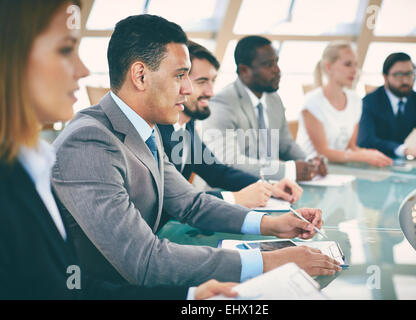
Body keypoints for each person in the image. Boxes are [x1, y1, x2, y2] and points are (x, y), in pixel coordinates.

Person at [51, 14, 342, 289]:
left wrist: (273, 224)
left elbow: (191, 204)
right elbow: (145, 260)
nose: (188, 89)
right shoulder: (90, 141)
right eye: (180, 75)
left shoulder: (143, 128)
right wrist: (271, 260)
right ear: (140, 76)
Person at [0, 0, 238, 300]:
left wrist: (190, 298)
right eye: (64, 50)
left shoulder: (30, 164)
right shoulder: (84, 141)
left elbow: (73, 286)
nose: (83, 69)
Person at [158, 41, 303, 212]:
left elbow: (217, 172)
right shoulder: (158, 132)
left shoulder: (186, 126)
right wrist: (235, 198)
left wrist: (268, 187)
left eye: (212, 81)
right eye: (202, 81)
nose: (211, 92)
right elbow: (176, 198)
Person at [201, 35, 327, 182]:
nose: (277, 70)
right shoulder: (223, 103)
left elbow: (285, 145)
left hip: (276, 188)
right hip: (238, 190)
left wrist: (310, 162)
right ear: (244, 70)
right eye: (268, 65)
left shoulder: (273, 99)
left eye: (276, 62)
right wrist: (287, 171)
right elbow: (231, 161)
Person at [296, 41, 393, 167]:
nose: (354, 70)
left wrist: (372, 155)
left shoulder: (355, 100)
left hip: (341, 172)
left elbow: (351, 147)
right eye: (348, 65)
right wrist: (362, 156)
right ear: (329, 67)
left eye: (355, 65)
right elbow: (323, 153)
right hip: (312, 172)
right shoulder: (312, 103)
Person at [357, 52, 416, 158]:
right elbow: (365, 141)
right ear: (385, 76)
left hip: (398, 165)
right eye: (398, 75)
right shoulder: (369, 102)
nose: (405, 80)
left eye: (409, 74)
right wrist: (406, 150)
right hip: (372, 164)